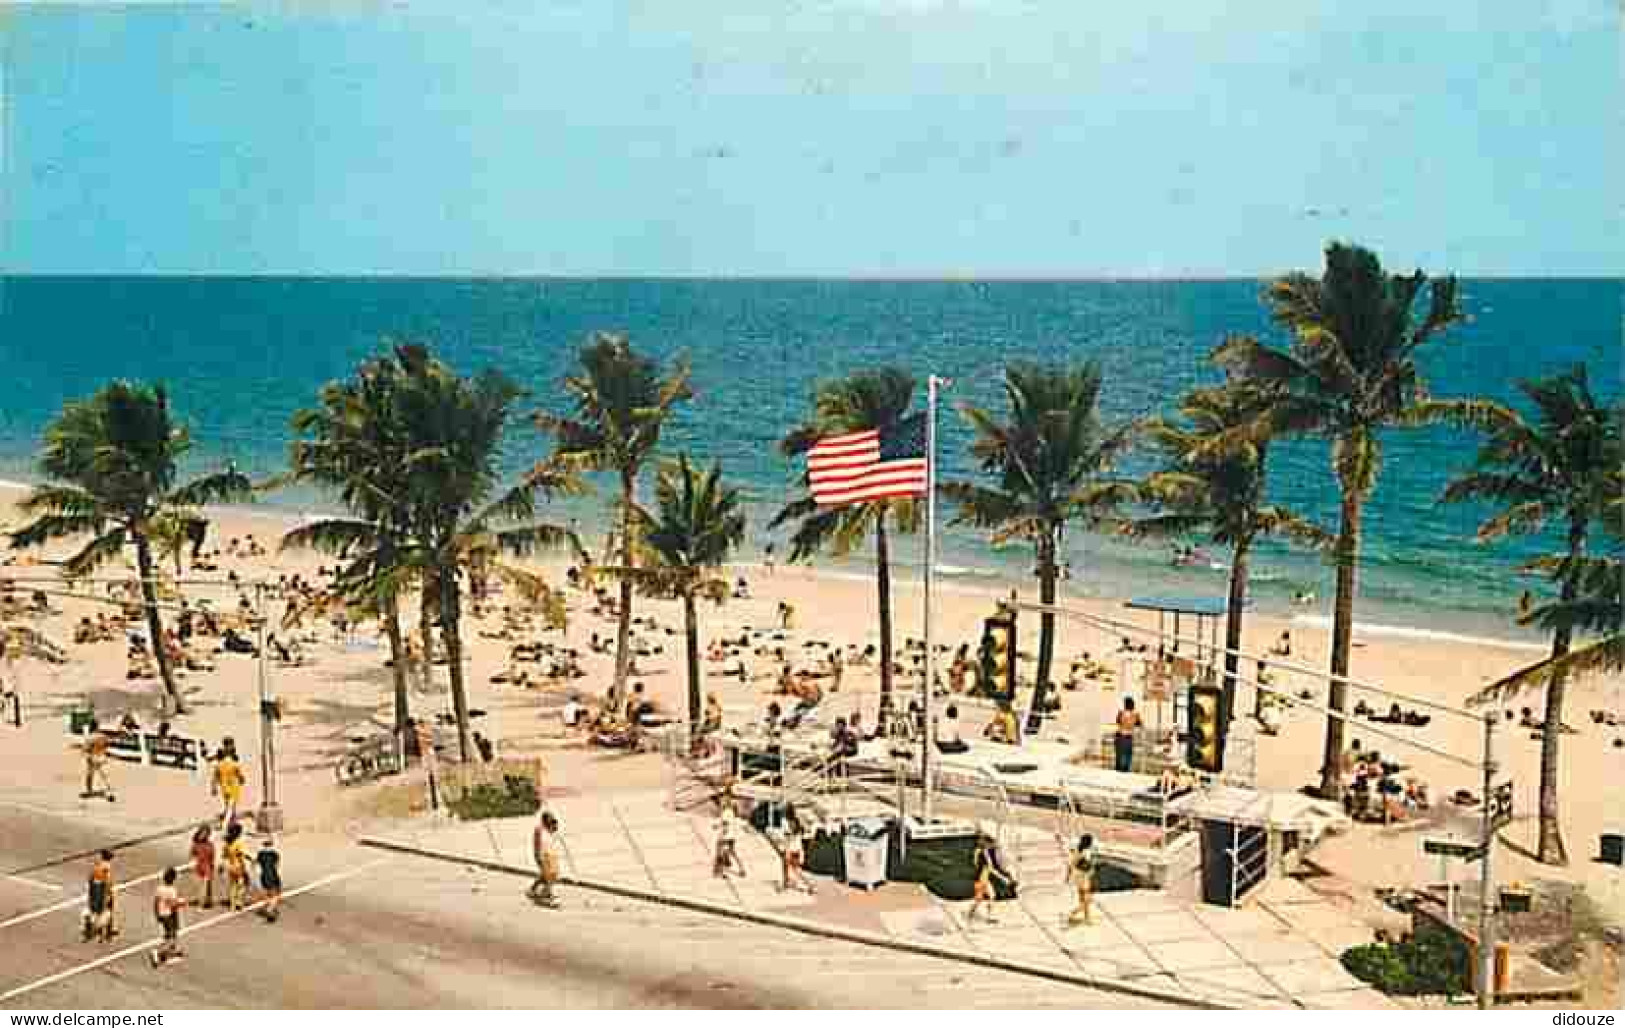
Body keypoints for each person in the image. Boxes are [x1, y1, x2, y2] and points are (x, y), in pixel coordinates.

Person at [967, 835, 1011, 924]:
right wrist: (1004, 878)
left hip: (983, 878)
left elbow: (983, 865)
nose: (991, 845)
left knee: (987, 897)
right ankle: (973, 914)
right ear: (986, 843)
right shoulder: (982, 852)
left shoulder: (980, 851)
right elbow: (990, 867)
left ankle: (979, 915)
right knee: (981, 898)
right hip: (981, 879)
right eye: (990, 844)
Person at [148, 867, 187, 967]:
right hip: (169, 915)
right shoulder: (172, 890)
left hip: (161, 913)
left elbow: (156, 902)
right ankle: (157, 952)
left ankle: (174, 949)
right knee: (170, 935)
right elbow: (172, 904)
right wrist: (182, 902)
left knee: (171, 933)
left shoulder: (159, 888)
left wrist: (156, 914)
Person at [529, 810, 562, 908]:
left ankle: (533, 890)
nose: (551, 823)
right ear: (544, 821)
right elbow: (537, 844)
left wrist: (555, 825)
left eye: (552, 820)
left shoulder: (550, 827)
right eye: (549, 820)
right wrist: (539, 857)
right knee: (549, 875)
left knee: (549, 874)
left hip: (550, 853)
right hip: (542, 854)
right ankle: (548, 894)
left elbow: (555, 830)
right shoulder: (539, 829)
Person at [84, 849, 117, 943]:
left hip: (96, 890)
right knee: (104, 911)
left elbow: (90, 878)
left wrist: (91, 891)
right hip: (102, 891)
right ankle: (104, 933)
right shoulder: (106, 867)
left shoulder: (98, 865)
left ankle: (101, 931)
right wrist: (108, 894)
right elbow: (106, 882)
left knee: (97, 911)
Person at [777, 813, 815, 894]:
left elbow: (787, 839)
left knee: (795, 870)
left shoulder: (792, 832)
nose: (790, 825)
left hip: (792, 851)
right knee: (789, 868)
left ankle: (809, 884)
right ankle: (786, 884)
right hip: (794, 851)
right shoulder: (798, 831)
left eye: (791, 824)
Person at [1066, 833, 1097, 927]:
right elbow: (1079, 864)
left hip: (1078, 875)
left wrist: (1068, 876)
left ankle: (1087, 918)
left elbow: (1071, 864)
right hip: (1083, 876)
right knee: (1088, 899)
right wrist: (1091, 868)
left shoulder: (1077, 850)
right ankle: (1073, 913)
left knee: (1082, 898)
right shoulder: (1085, 852)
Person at [81, 720, 115, 801]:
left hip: (93, 757)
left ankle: (89, 791)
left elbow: (85, 749)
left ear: (90, 727)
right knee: (103, 775)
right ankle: (108, 791)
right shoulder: (103, 736)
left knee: (90, 775)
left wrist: (86, 756)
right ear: (97, 727)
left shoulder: (90, 737)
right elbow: (107, 745)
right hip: (102, 757)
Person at [222, 821, 251, 911]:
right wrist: (248, 861)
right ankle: (239, 902)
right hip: (239, 866)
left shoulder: (227, 843)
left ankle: (232, 905)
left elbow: (225, 855)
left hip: (231, 866)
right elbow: (241, 855)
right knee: (243, 884)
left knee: (233, 885)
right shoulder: (238, 843)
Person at [713, 802, 746, 878]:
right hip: (731, 837)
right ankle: (742, 869)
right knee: (732, 852)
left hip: (725, 836)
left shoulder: (726, 812)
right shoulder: (733, 814)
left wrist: (719, 827)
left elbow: (725, 823)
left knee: (719, 853)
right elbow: (739, 823)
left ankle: (718, 872)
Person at [214, 744, 246, 826]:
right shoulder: (234, 764)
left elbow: (215, 777)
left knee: (228, 805)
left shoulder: (218, 765)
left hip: (224, 788)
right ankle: (225, 824)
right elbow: (240, 776)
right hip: (234, 788)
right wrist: (242, 780)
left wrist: (214, 787)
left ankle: (232, 822)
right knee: (231, 807)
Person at [190, 824, 216, 909]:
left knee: (206, 886)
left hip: (207, 867)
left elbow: (212, 857)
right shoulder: (195, 844)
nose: (203, 836)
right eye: (202, 833)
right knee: (201, 887)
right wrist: (193, 864)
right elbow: (193, 855)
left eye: (205, 834)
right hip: (199, 867)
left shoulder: (210, 844)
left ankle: (206, 901)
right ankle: (202, 903)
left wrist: (212, 866)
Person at [256, 837, 283, 921]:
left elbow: (257, 863)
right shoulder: (275, 854)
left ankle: (269, 908)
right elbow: (277, 866)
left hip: (263, 875)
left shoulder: (260, 853)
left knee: (267, 893)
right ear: (271, 845)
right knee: (276, 894)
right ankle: (269, 910)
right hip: (272, 875)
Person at [1114, 697, 1141, 772]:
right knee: (1127, 756)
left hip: (1120, 735)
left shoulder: (1121, 713)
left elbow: (1118, 722)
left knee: (1119, 756)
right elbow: (1139, 724)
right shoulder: (1135, 715)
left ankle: (1119, 770)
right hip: (1127, 736)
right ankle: (1125, 771)